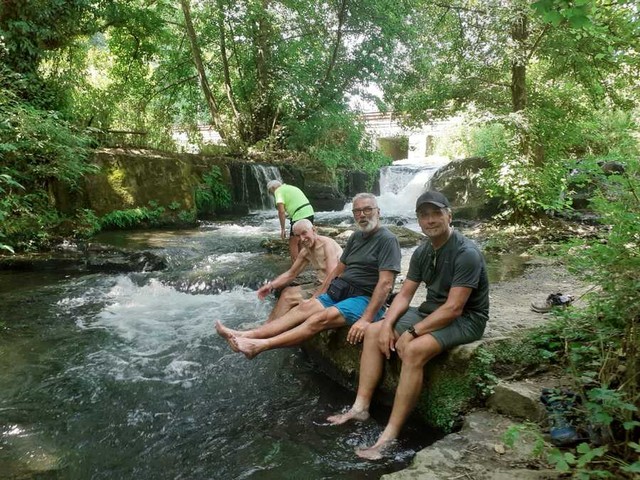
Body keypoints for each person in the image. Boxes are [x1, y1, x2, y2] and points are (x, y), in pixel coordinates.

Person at [327, 191, 489, 460]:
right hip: (430, 311)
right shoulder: (423, 251)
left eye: (436, 214)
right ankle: (360, 407)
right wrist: (387, 324)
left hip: (467, 319)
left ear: (449, 216)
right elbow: (404, 294)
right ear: (418, 220)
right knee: (374, 331)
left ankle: (389, 436)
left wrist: (413, 332)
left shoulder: (466, 253)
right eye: (424, 215)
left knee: (412, 350)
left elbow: (454, 308)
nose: (430, 220)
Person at [215, 193, 401, 358]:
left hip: (364, 298)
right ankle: (244, 334)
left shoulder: (387, 240)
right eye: (357, 211)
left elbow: (385, 284)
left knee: (319, 318)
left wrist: (366, 319)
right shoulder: (355, 237)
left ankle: (259, 346)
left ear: (378, 212)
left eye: (367, 209)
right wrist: (318, 296)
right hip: (342, 290)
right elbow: (337, 271)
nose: (362, 215)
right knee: (305, 308)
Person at [256, 219, 343, 322]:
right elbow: (291, 274)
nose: (302, 239)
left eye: (304, 233)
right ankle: (268, 325)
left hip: (335, 288)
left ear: (314, 230)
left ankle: (270, 328)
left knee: (289, 297)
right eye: (298, 236)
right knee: (286, 292)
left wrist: (313, 299)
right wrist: (270, 286)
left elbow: (332, 278)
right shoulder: (306, 251)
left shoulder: (327, 245)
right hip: (321, 284)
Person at [266, 180, 315, 262]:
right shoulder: (291, 187)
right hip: (309, 212)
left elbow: (281, 211)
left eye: (271, 192)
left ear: (273, 188)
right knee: (302, 239)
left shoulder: (278, 191)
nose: (272, 195)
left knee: (293, 241)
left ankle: (295, 263)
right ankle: (303, 261)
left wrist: (282, 229)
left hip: (299, 214)